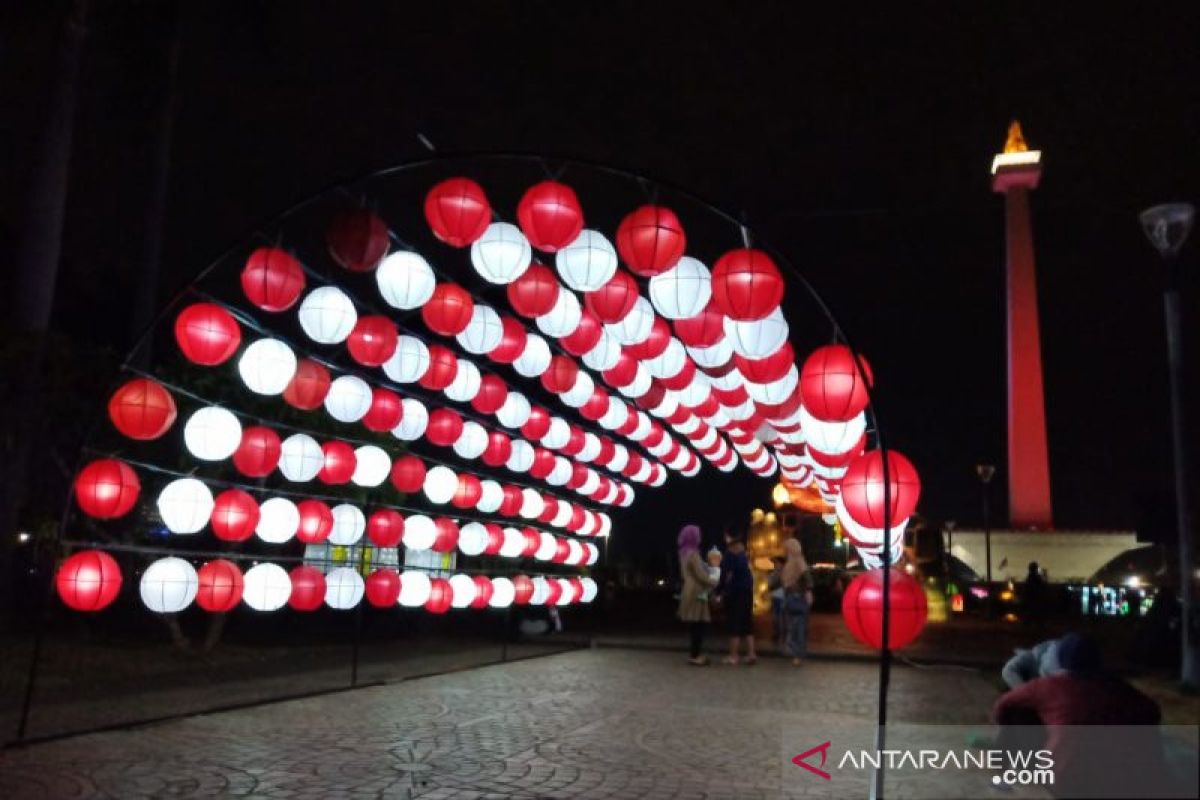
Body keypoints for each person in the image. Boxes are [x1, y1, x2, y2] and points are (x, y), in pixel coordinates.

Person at [992, 633, 1167, 798]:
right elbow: (1153, 712)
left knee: (1017, 711)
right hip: (1122, 781)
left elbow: (1002, 706)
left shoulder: (1047, 685)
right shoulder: (1118, 686)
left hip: (1065, 781)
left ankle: (1003, 774)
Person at [677, 524, 718, 666]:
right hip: (696, 590)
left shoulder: (683, 553)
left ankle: (694, 654)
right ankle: (695, 655)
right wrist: (713, 581)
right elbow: (700, 574)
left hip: (688, 588)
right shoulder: (693, 554)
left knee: (694, 624)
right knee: (699, 624)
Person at [719, 531, 757, 665]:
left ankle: (733, 656)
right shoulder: (744, 554)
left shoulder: (730, 554)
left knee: (733, 623)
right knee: (747, 623)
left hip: (735, 592)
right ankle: (751, 653)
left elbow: (725, 575)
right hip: (747, 592)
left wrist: (719, 590)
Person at [777, 538, 814, 666]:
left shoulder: (798, 561)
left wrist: (808, 591)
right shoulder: (791, 562)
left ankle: (798, 655)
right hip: (791, 597)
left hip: (797, 597)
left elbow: (806, 576)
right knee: (793, 626)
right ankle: (795, 652)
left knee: (798, 627)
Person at [767, 556, 786, 645]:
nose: (775, 565)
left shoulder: (786, 573)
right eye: (774, 563)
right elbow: (770, 585)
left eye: (777, 563)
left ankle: (782, 636)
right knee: (776, 618)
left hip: (783, 597)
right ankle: (777, 635)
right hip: (776, 597)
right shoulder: (773, 574)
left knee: (781, 617)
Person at [1021, 561, 1047, 626]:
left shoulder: (1029, 577)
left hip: (1031, 597)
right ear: (1035, 569)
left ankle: (1027, 625)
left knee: (1031, 612)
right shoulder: (1036, 577)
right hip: (1036, 597)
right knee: (1036, 612)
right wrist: (1044, 575)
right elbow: (1042, 585)